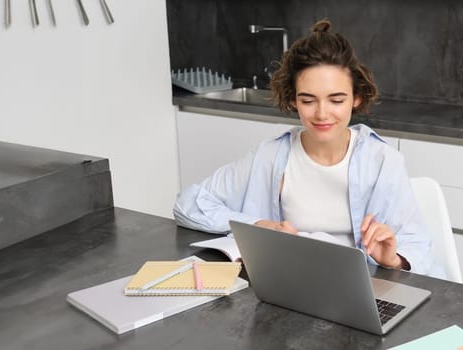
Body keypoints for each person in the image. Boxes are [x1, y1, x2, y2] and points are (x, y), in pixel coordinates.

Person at [174, 19, 438, 277]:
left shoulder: (382, 161)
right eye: (308, 100)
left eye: (336, 100)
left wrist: (393, 259)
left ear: (356, 98)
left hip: (358, 291)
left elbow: (419, 247)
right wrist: (259, 225)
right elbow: (188, 204)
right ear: (293, 100)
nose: (322, 114)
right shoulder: (271, 156)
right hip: (289, 287)